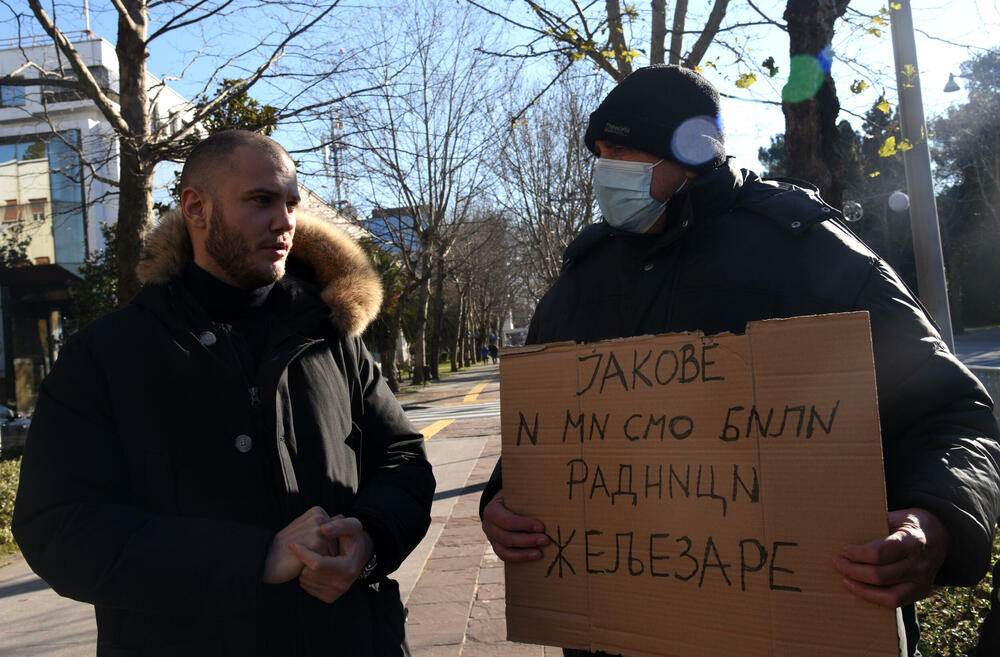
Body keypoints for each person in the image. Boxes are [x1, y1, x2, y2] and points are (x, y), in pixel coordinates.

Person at [479, 65, 1000, 657]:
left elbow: (954, 415)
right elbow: (543, 437)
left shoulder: (810, 255)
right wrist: (502, 502)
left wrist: (935, 522)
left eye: (622, 149)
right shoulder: (580, 282)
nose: (605, 170)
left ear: (691, 153)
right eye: (599, 153)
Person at [13, 130, 436, 656]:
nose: (285, 223)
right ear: (195, 208)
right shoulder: (107, 354)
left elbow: (403, 460)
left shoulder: (331, 336)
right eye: (261, 201)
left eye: (290, 203)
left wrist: (369, 541)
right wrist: (255, 558)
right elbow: (57, 527)